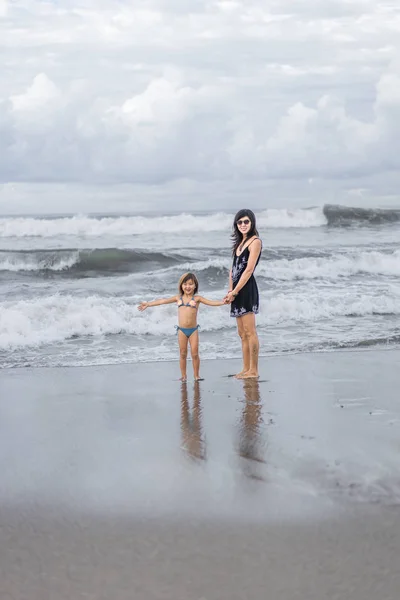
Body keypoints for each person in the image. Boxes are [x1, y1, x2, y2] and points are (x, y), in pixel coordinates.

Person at [138, 272, 225, 381]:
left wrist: (223, 302)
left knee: (194, 354)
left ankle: (196, 375)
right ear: (181, 286)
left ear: (195, 286)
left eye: (190, 284)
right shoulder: (178, 298)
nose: (187, 287)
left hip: (193, 330)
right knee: (183, 353)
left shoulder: (197, 298)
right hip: (181, 331)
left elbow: (211, 303)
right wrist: (148, 304)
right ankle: (183, 376)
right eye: (185, 284)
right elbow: (162, 301)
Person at [224, 209, 262, 379]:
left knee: (250, 331)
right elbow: (232, 271)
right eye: (240, 222)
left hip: (246, 289)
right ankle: (245, 369)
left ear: (252, 222)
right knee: (242, 333)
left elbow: (248, 270)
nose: (243, 225)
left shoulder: (255, 242)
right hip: (236, 290)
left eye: (246, 221)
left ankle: (253, 370)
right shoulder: (238, 245)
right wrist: (230, 291)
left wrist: (236, 291)